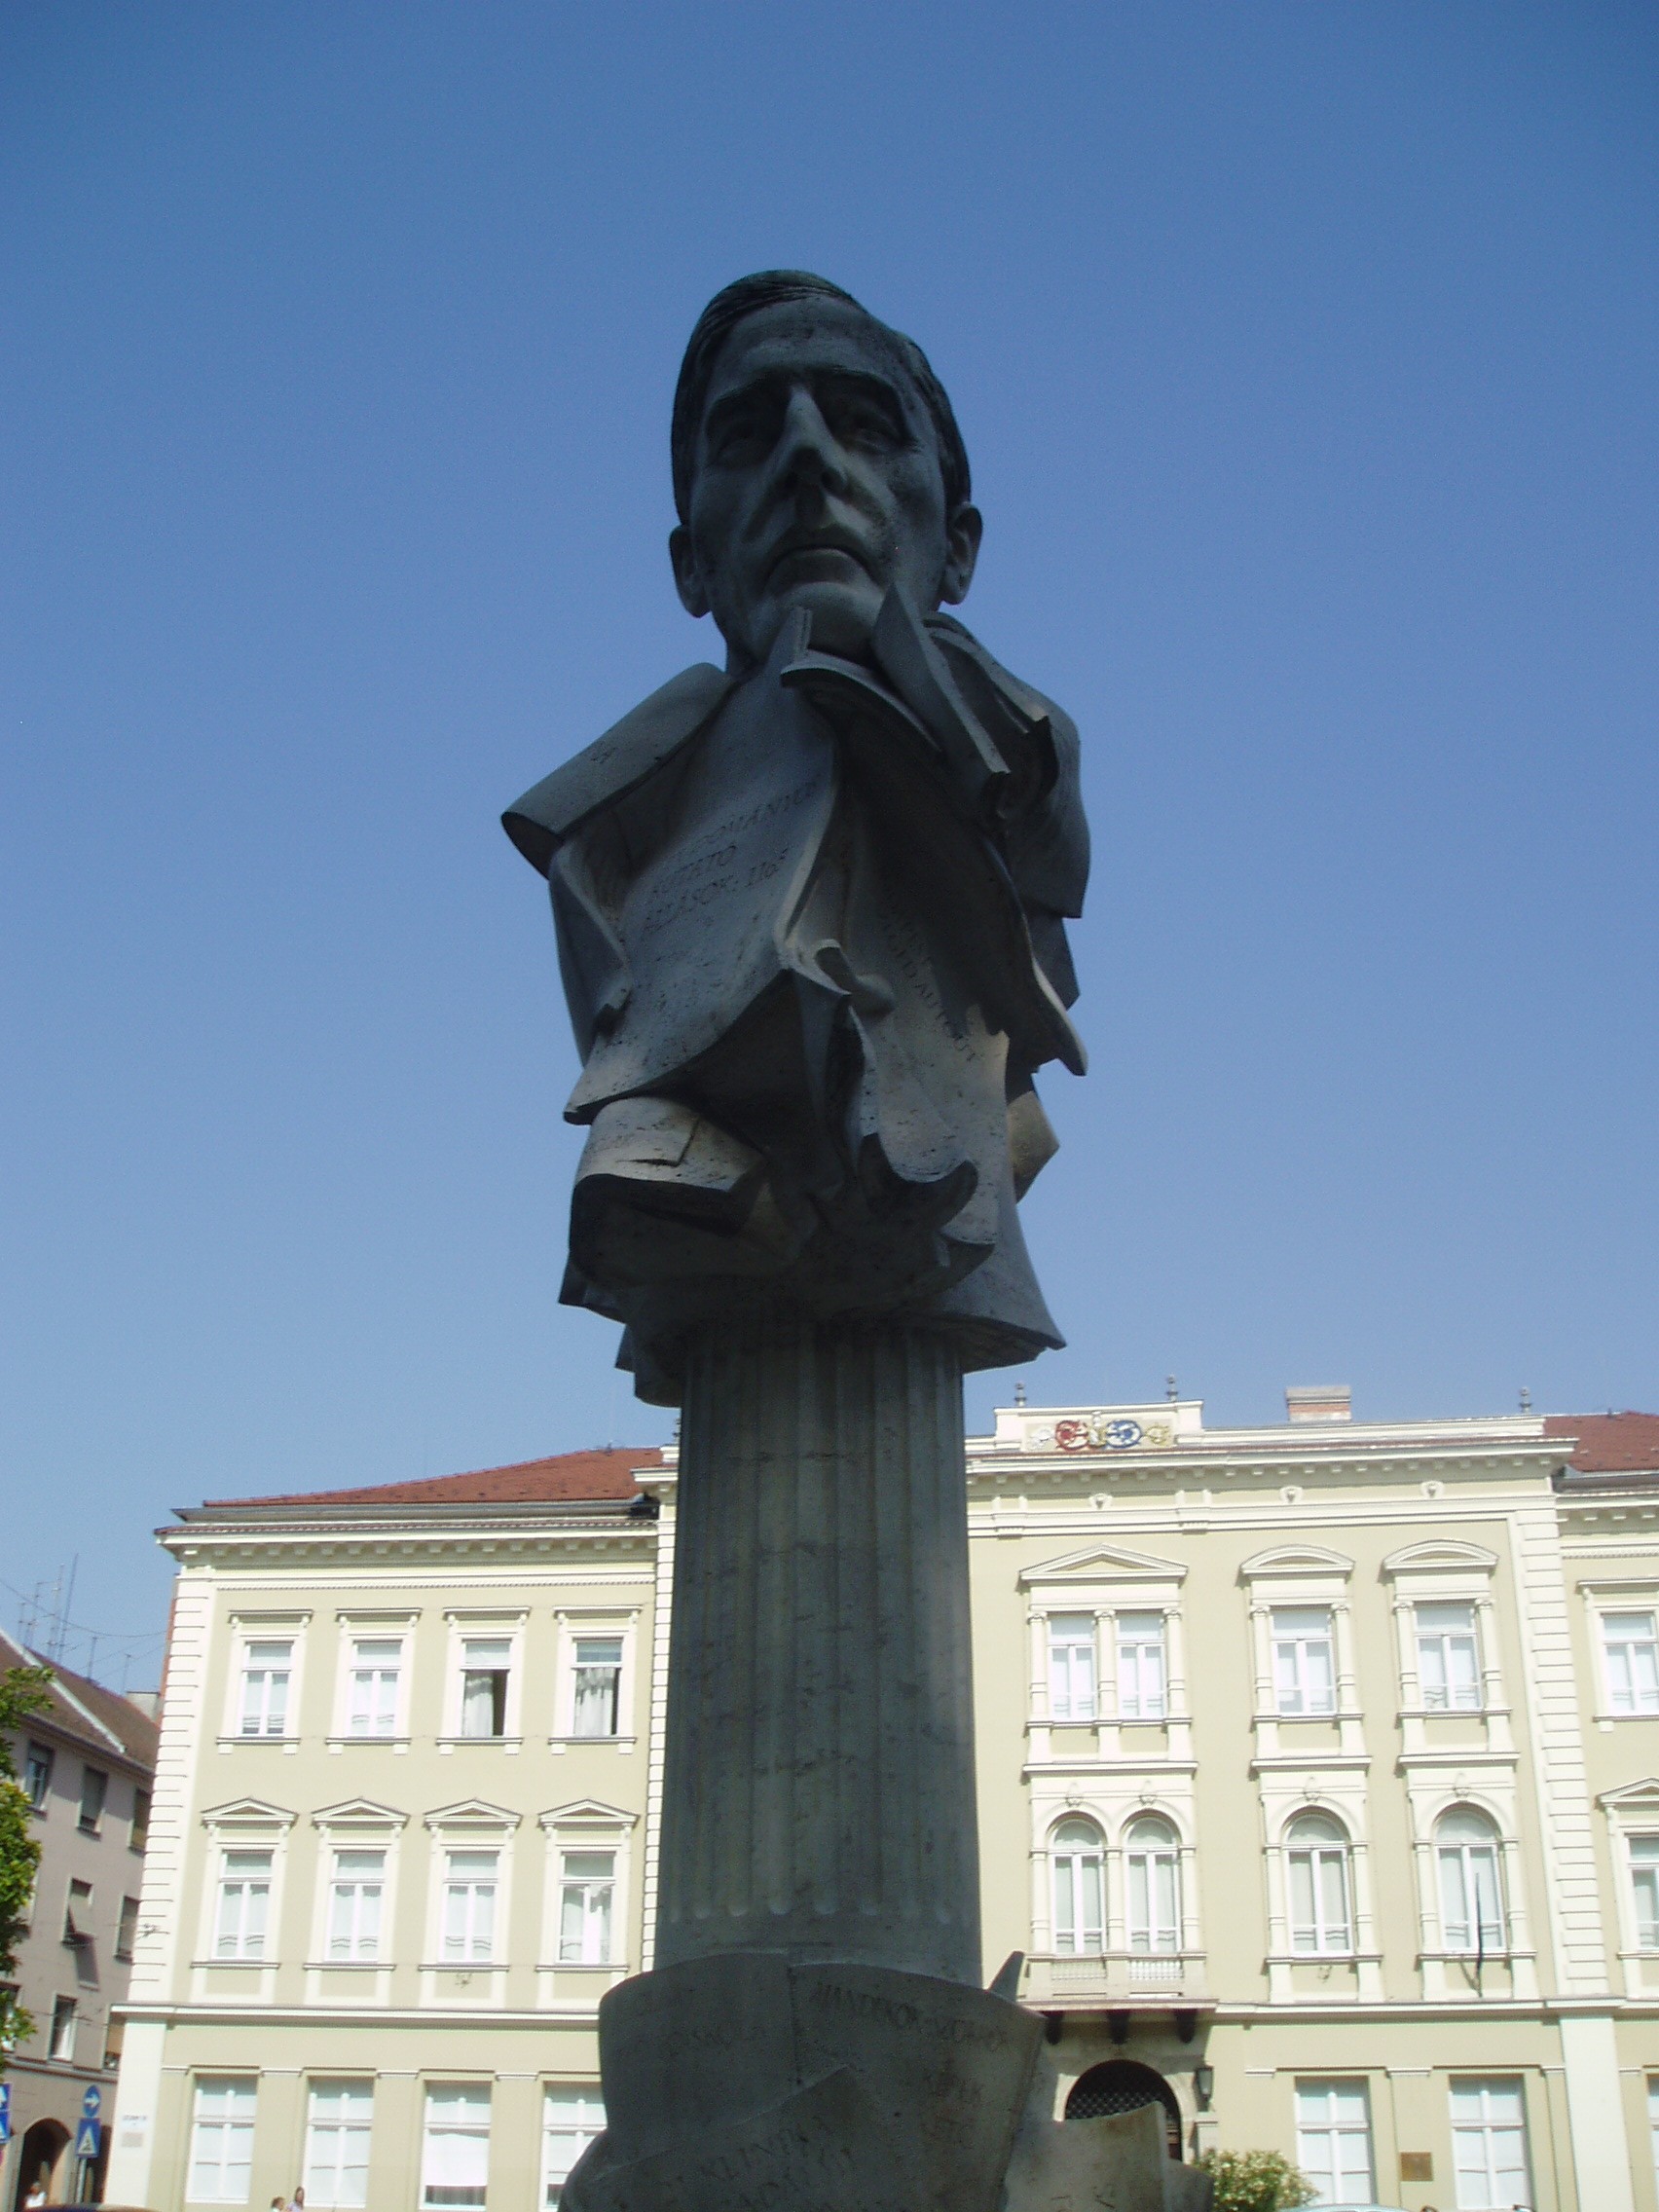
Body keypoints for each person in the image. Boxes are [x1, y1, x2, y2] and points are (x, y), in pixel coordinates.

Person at [506, 272, 1088, 1403]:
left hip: (923, 1121)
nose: (809, 461)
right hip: (684, 1139)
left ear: (958, 548)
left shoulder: (982, 717)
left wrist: (904, 674)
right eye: (748, 435)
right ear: (691, 561)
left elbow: (1048, 844)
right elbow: (590, 908)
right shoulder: (652, 767)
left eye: (865, 426)